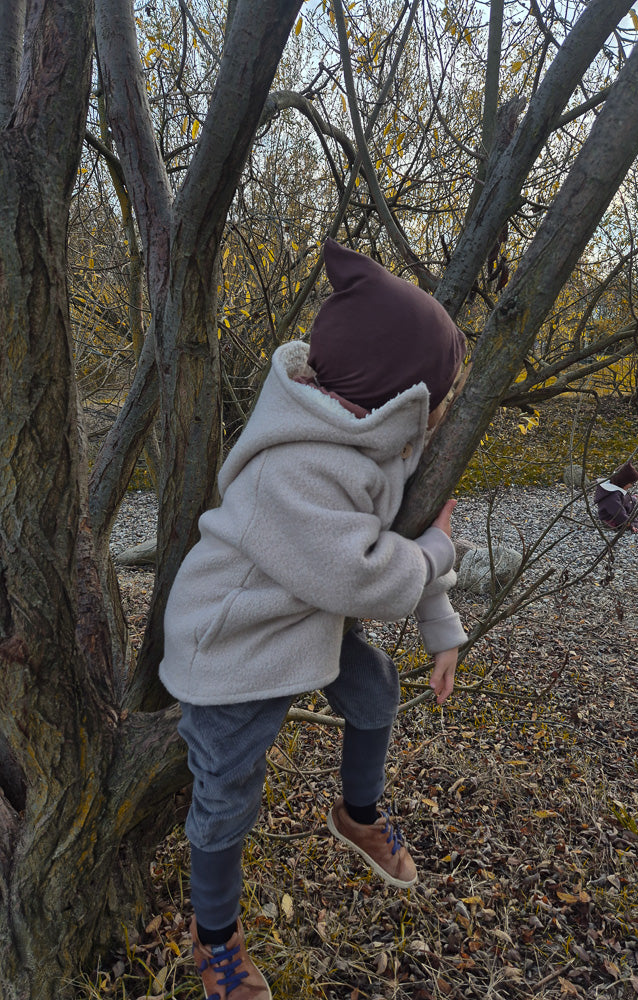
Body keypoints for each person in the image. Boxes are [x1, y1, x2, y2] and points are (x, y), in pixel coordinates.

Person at [159, 239, 467, 1000]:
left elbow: (403, 541)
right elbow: (366, 571)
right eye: (432, 398)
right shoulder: (294, 463)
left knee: (374, 690)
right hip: (230, 641)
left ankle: (357, 815)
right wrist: (435, 551)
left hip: (304, 621)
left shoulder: (373, 443)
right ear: (400, 394)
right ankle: (215, 938)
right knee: (227, 792)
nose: (434, 416)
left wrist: (442, 628)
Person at [594, 460, 638, 532]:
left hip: (615, 510)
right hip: (610, 516)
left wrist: (633, 498)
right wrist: (630, 526)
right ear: (623, 482)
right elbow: (619, 513)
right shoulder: (611, 496)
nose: (631, 486)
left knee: (631, 502)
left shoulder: (616, 489)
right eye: (631, 483)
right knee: (633, 521)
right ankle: (611, 523)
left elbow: (624, 498)